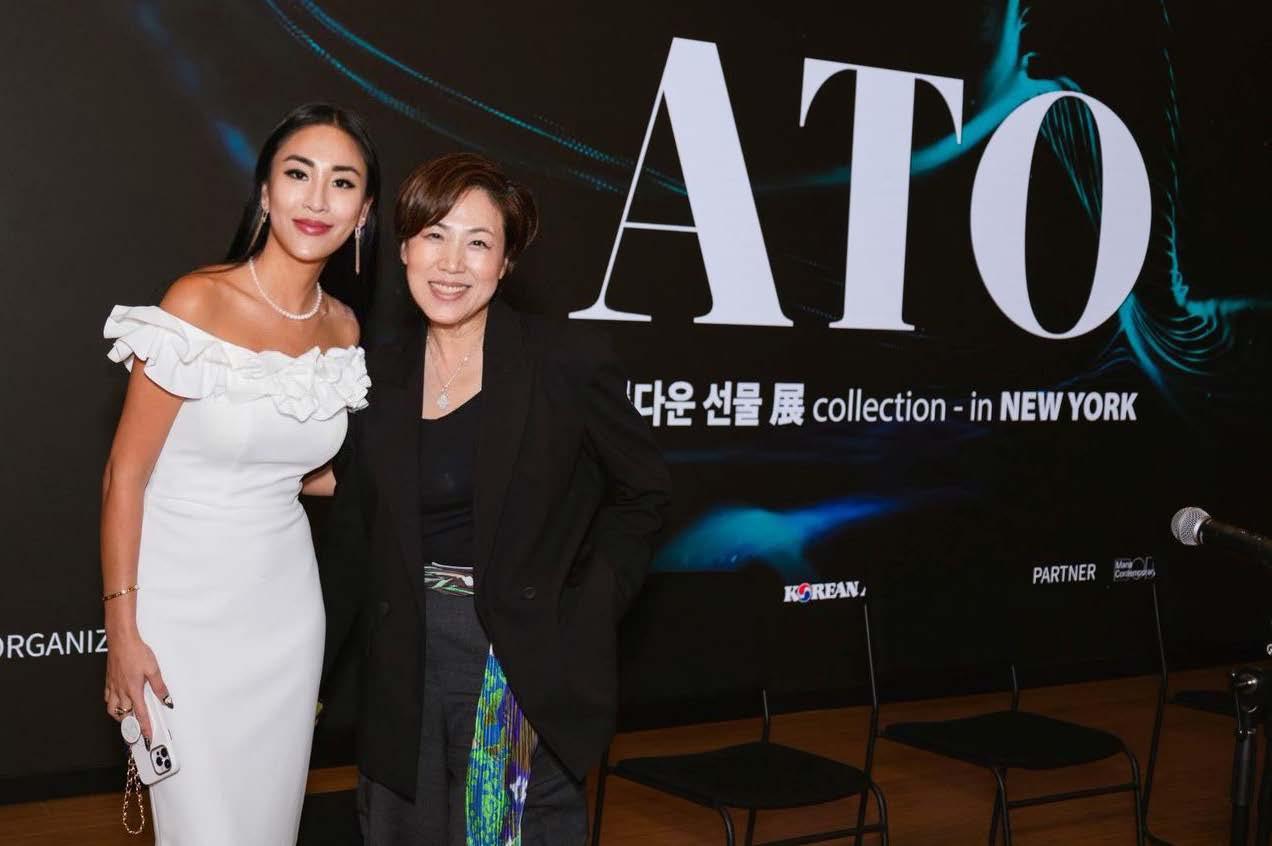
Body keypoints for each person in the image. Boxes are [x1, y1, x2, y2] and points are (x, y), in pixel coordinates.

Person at [319, 152, 672, 845]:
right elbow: (356, 524)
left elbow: (644, 491)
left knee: (500, 832)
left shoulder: (562, 361)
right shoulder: (375, 376)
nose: (452, 263)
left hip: (510, 658)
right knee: (401, 832)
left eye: (478, 242)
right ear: (404, 246)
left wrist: (584, 608)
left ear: (505, 263)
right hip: (403, 658)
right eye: (434, 235)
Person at [99, 102, 379, 844]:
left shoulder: (343, 328)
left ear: (363, 213)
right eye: (298, 174)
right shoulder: (197, 302)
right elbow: (125, 474)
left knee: (267, 824)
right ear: (265, 192)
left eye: (342, 182)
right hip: (182, 611)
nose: (317, 199)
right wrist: (122, 629)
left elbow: (300, 470)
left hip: (285, 613)